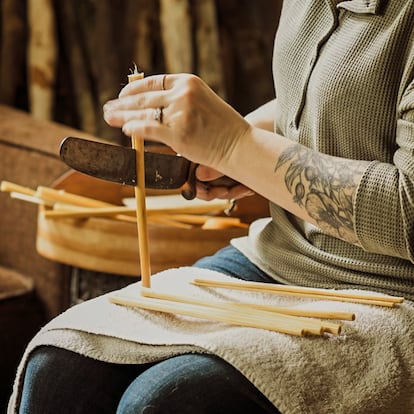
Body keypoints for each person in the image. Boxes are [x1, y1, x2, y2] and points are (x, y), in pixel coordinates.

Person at [10, 1, 414, 413]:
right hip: (278, 255)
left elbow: (408, 212)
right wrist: (235, 150)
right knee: (59, 367)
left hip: (393, 290)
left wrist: (237, 145)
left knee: (165, 401)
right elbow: (342, 98)